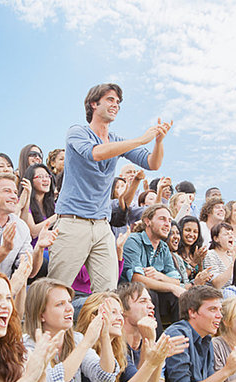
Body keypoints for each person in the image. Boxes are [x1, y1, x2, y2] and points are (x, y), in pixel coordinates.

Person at [49, 83, 172, 293]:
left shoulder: (116, 140)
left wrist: (158, 142)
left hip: (102, 226)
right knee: (56, 289)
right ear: (93, 104)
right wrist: (140, 139)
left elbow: (153, 163)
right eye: (110, 99)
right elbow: (95, 153)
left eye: (118, 101)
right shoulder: (77, 132)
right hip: (72, 221)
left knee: (108, 293)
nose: (115, 104)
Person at [115, 282, 233, 382]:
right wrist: (227, 371)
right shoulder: (117, 346)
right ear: (123, 310)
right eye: (142, 301)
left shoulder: (153, 344)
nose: (151, 306)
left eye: (150, 301)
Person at [10, 278, 119, 382]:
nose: (69, 308)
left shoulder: (76, 340)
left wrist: (104, 336)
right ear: (41, 314)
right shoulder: (24, 348)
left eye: (69, 301)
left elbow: (105, 378)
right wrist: (85, 344)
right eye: (60, 304)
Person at [0, 172, 57, 279]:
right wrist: (4, 249)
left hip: (5, 290)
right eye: (7, 191)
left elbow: (30, 272)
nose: (13, 197)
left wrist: (39, 247)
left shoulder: (20, 226)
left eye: (15, 192)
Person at [122, 204, 185, 332]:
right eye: (162, 219)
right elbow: (136, 279)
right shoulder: (134, 240)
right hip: (128, 294)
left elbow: (176, 281)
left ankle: (181, 339)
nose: (168, 224)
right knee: (150, 295)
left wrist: (160, 276)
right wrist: (171, 286)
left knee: (178, 297)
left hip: (155, 295)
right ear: (147, 221)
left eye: (169, 220)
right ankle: (156, 342)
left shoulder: (164, 247)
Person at [20, 163, 57, 238]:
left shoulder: (52, 204)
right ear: (31, 180)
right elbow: (33, 232)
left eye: (47, 176)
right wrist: (58, 215)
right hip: (33, 248)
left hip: (51, 247)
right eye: (40, 177)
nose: (45, 179)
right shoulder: (24, 203)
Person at [203, 222, 236, 289]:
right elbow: (217, 284)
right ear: (216, 239)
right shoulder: (210, 255)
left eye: (232, 234)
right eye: (226, 234)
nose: (231, 236)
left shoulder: (229, 257)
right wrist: (234, 262)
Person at [176, 215, 208, 283]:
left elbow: (201, 281)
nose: (191, 234)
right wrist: (193, 263)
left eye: (195, 232)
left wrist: (200, 264)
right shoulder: (174, 253)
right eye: (188, 230)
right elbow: (179, 280)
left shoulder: (197, 253)